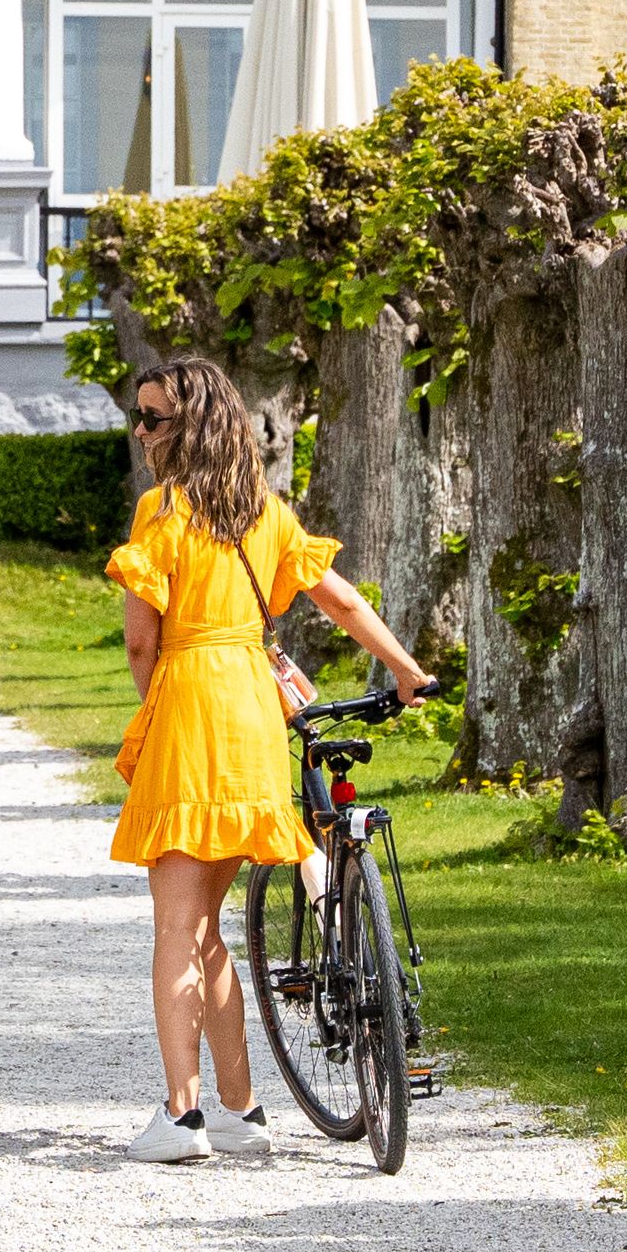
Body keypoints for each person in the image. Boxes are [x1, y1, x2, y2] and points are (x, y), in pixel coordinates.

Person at [99, 354, 427, 1166]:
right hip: (252, 709)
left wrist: (158, 700)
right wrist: (404, 668)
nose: (140, 431)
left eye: (153, 418)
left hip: (192, 703)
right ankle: (242, 1109)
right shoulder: (263, 511)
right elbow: (340, 597)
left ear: (191, 425)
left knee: (177, 924)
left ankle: (181, 1117)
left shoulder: (161, 512)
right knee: (208, 926)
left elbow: (143, 639)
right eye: (138, 416)